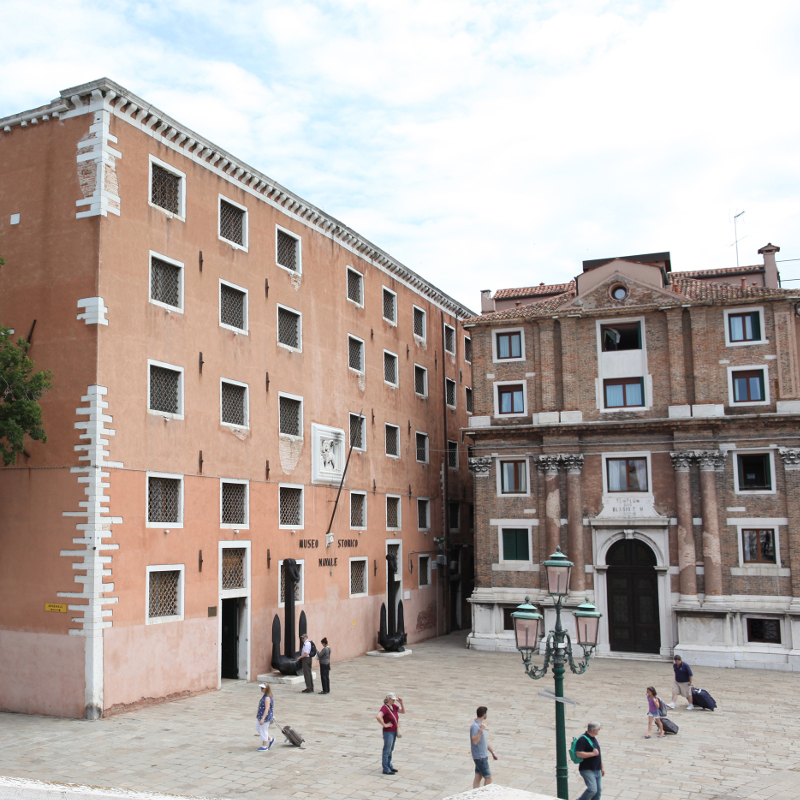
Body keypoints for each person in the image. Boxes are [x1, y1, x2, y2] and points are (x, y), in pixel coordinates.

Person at [376, 692, 405, 774]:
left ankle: (389, 765)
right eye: (393, 700)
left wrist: (402, 703)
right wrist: (384, 724)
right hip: (388, 732)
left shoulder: (394, 707)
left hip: (394, 731)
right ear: (389, 699)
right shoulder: (385, 708)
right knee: (387, 750)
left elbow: (403, 711)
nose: (394, 701)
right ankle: (386, 768)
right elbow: (378, 716)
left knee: (390, 749)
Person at [470, 706, 499, 788]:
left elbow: (484, 741)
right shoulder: (476, 726)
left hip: (482, 756)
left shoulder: (480, 725)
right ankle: (484, 795)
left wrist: (493, 752)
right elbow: (475, 741)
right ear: (484, 715)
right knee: (488, 777)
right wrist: (481, 730)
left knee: (478, 777)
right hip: (480, 757)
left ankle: (474, 794)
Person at [575, 722, 603, 800]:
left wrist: (602, 767)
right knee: (592, 790)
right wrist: (593, 754)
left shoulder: (593, 738)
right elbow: (579, 754)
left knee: (598, 791)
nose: (598, 731)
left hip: (597, 769)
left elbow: (599, 755)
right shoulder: (582, 740)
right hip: (587, 769)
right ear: (594, 730)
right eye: (598, 729)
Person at [255, 683, 275, 752]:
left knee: (264, 730)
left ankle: (264, 746)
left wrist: (263, 719)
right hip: (261, 715)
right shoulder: (265, 696)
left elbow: (267, 709)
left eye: (263, 688)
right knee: (258, 728)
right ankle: (271, 739)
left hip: (264, 717)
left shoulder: (267, 698)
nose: (261, 689)